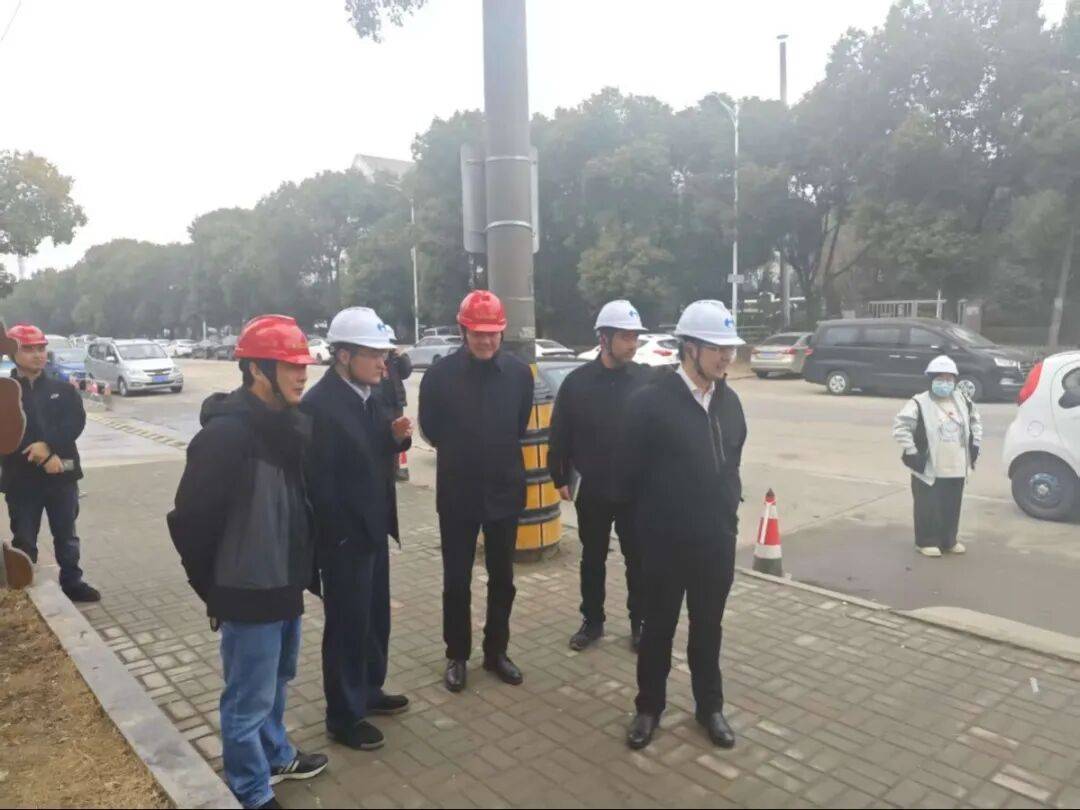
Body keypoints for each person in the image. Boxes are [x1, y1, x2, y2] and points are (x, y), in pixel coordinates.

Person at [167, 315, 327, 810]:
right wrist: (213, 589)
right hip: (246, 591)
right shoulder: (226, 436)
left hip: (285, 584)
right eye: (290, 365)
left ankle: (276, 755)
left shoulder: (287, 426)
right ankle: (250, 788)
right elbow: (189, 520)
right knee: (246, 700)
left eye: (303, 364)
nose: (302, 374)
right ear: (258, 370)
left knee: (276, 683)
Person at [620, 300, 747, 751]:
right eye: (717, 348)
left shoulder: (729, 402)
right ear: (689, 348)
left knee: (707, 627)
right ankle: (648, 707)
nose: (727, 357)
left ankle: (709, 706)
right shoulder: (649, 403)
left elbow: (732, 463)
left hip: (715, 540)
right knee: (657, 629)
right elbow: (628, 476)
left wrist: (728, 514)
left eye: (730, 348)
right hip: (664, 544)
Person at [302, 307, 413, 752]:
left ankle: (369, 688)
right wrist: (337, 534)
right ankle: (344, 716)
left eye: (385, 355)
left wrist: (395, 438)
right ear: (344, 355)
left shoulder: (371, 393)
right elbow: (317, 481)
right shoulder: (319, 405)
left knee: (374, 617)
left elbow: (369, 450)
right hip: (344, 537)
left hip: (373, 526)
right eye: (374, 355)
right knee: (347, 625)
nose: (383, 364)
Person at [418, 290, 534, 694]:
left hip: (504, 491)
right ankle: (457, 654)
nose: (486, 340)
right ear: (463, 330)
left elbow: (518, 425)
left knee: (503, 578)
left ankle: (496, 651)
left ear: (502, 332)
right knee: (456, 580)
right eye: (478, 333)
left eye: (493, 333)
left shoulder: (519, 375)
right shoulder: (439, 377)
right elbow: (431, 429)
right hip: (458, 494)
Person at [548, 300, 651, 653]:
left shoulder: (645, 380)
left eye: (635, 337)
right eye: (625, 337)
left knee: (638, 559)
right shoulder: (577, 383)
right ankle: (592, 621)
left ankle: (640, 623)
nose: (633, 344)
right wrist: (558, 474)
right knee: (592, 558)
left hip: (635, 490)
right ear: (604, 339)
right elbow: (560, 431)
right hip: (593, 488)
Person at [1, 323, 99, 603]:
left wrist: (49, 447)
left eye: (41, 348)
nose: (38, 354)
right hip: (21, 480)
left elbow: (74, 422)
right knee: (24, 539)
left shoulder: (62, 389)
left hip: (61, 476)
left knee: (67, 535)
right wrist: (41, 454)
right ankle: (24, 590)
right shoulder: (4, 392)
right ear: (13, 353)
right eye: (29, 349)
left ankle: (72, 581)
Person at [893, 355, 983, 558]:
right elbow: (901, 427)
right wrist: (912, 450)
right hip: (929, 466)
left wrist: (976, 444)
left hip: (957, 464)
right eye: (940, 379)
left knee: (952, 505)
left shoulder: (963, 400)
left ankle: (949, 540)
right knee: (928, 506)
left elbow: (975, 422)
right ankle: (926, 542)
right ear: (931, 379)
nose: (945, 383)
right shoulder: (919, 402)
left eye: (949, 379)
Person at [378, 327, 414, 482]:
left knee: (399, 435)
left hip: (395, 403)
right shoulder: (375, 357)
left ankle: (397, 469)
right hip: (380, 403)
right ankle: (385, 469)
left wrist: (403, 357)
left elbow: (406, 372)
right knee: (383, 435)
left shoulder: (394, 358)